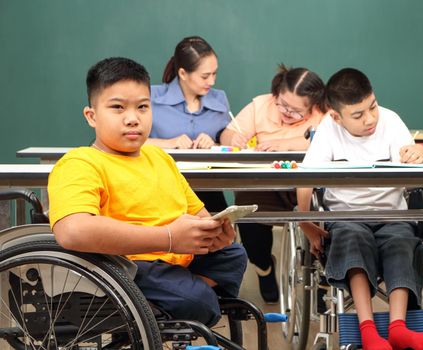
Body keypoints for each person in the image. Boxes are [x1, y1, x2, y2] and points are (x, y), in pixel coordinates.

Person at [48, 57, 247, 327]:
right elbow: (72, 231)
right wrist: (167, 238)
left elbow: (199, 216)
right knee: (197, 301)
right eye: (118, 107)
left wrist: (214, 233)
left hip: (176, 262)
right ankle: (184, 301)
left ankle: (170, 302)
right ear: (92, 116)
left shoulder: (160, 158)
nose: (133, 118)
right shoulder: (80, 163)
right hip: (128, 267)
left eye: (142, 107)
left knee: (233, 255)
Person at [297, 68, 423, 350]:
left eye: (372, 107)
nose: (369, 119)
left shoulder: (391, 120)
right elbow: (304, 180)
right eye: (358, 115)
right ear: (336, 115)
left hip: (391, 215)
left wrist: (418, 153)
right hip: (347, 218)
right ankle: (367, 330)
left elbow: (412, 154)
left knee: (402, 242)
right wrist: (306, 224)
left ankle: (398, 327)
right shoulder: (327, 129)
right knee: (352, 240)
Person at [220, 64, 326, 303]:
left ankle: (323, 281)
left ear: (313, 106)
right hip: (264, 186)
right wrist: (233, 138)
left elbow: (333, 141)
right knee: (248, 218)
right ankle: (264, 268)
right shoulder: (261, 105)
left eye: (297, 111)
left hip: (309, 185)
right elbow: (227, 135)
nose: (287, 113)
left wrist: (286, 145)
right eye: (283, 104)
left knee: (327, 219)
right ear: (277, 92)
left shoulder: (326, 113)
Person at [147, 35, 230, 213]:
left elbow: (228, 144)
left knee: (222, 225)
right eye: (205, 76)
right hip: (160, 186)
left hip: (209, 187)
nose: (212, 82)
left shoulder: (220, 100)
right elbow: (128, 142)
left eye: (215, 74)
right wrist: (169, 143)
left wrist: (213, 145)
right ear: (183, 73)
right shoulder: (151, 97)